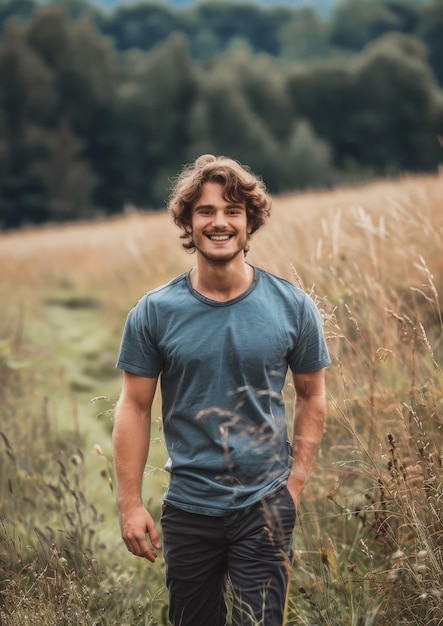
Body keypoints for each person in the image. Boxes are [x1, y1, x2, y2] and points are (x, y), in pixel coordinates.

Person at [112, 154, 330, 626]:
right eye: (206, 211)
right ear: (189, 223)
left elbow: (313, 395)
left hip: (266, 505)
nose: (219, 222)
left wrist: (294, 484)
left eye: (233, 210)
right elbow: (133, 405)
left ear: (250, 222)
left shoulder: (293, 306)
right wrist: (129, 504)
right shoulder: (154, 312)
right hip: (188, 508)